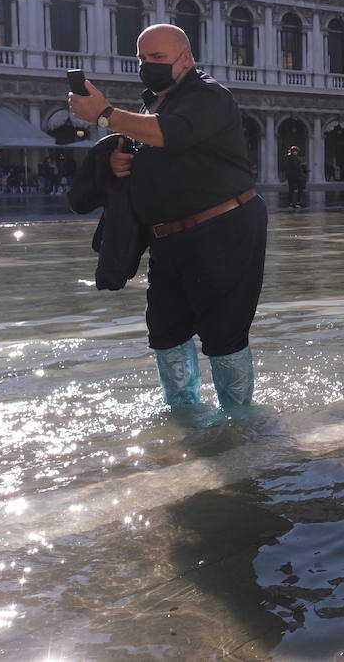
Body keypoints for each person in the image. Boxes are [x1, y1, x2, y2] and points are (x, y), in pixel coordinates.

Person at [68, 23, 266, 417]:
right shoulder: (153, 105)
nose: (148, 65)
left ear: (186, 59)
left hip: (223, 230)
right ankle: (184, 414)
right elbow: (162, 153)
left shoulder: (210, 96)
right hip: (170, 238)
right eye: (142, 58)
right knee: (164, 330)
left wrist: (105, 115)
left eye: (158, 58)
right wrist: (121, 162)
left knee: (224, 334)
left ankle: (240, 421)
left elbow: (171, 134)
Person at [283, 145, 308, 209]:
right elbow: (297, 167)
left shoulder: (286, 157)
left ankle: (290, 204)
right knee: (301, 188)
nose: (297, 153)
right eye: (296, 151)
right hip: (297, 176)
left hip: (289, 176)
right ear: (294, 151)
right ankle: (298, 203)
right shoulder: (295, 158)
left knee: (291, 190)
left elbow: (285, 167)